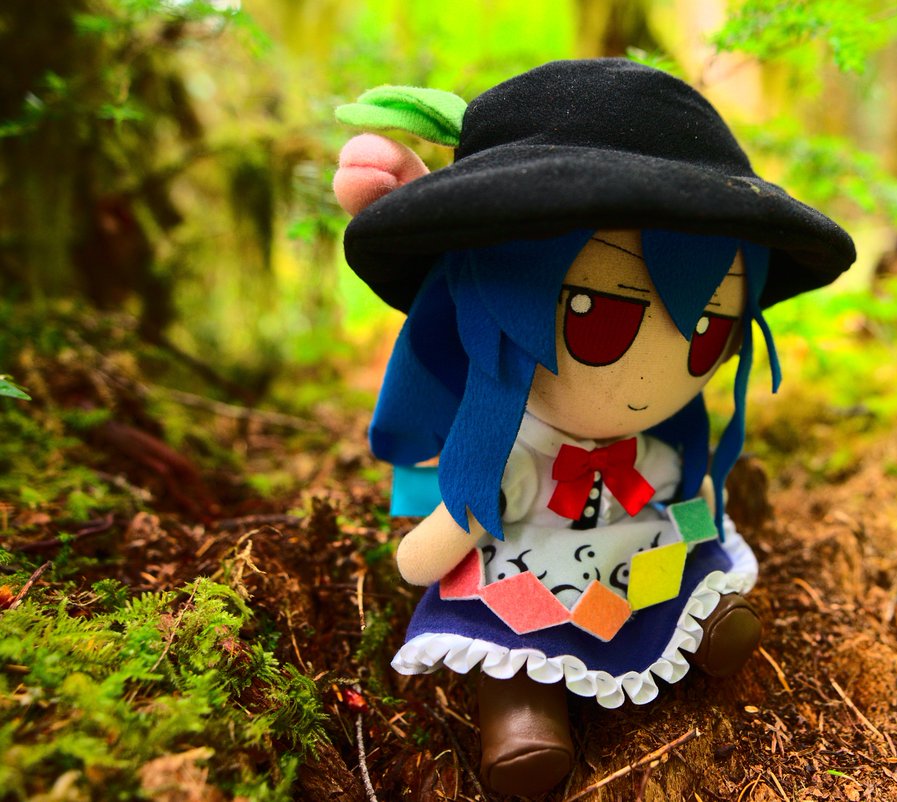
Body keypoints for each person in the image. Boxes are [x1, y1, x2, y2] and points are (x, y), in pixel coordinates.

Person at [335, 58, 855, 797]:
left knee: (677, 576)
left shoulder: (653, 447)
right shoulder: (515, 452)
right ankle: (523, 721)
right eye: (596, 315)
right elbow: (442, 539)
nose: (649, 381)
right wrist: (435, 540)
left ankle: (708, 621)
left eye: (708, 334)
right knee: (513, 641)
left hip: (629, 549)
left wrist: (701, 519)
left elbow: (683, 492)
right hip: (531, 564)